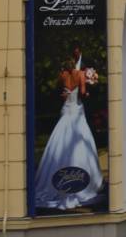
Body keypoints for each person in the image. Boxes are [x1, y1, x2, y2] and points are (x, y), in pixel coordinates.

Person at [33, 55, 104, 209]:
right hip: (77, 111)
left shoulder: (62, 76)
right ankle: (86, 180)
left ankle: (58, 178)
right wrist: (88, 88)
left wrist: (67, 93)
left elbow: (60, 92)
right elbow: (82, 93)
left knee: (61, 140)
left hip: (66, 109)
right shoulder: (80, 75)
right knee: (81, 140)